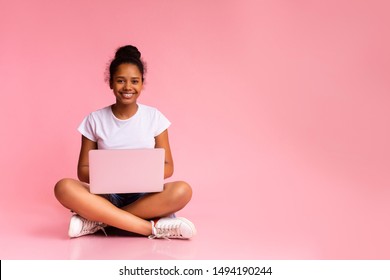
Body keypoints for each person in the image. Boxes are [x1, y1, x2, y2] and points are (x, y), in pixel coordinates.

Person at [54, 45, 196, 239]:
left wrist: (136, 172)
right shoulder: (94, 120)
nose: (128, 87)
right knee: (63, 187)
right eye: (120, 81)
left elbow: (168, 167)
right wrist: (113, 172)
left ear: (142, 84)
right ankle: (152, 228)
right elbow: (83, 171)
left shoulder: (154, 117)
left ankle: (98, 221)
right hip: (107, 196)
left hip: (145, 196)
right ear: (111, 83)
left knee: (182, 190)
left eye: (134, 81)